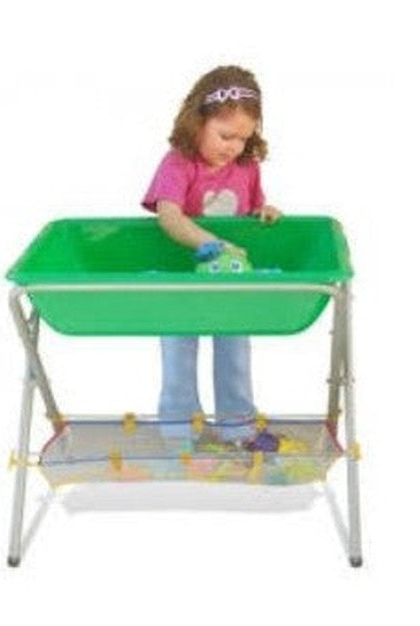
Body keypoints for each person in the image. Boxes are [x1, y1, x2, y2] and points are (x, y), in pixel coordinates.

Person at [141, 65, 282, 442]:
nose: (233, 146)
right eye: (225, 135)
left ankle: (238, 426)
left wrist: (264, 212)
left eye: (243, 138)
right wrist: (212, 243)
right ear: (198, 122)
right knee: (179, 352)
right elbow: (169, 217)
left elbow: (250, 211)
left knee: (235, 350)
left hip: (230, 279)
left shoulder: (246, 166)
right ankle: (180, 431)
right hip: (181, 279)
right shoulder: (178, 162)